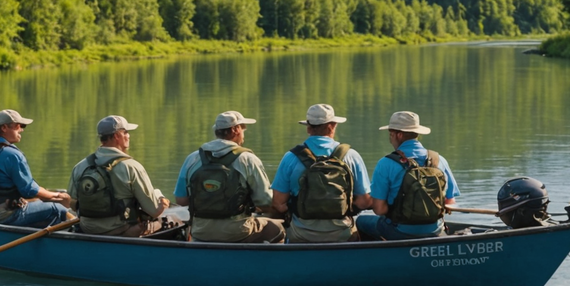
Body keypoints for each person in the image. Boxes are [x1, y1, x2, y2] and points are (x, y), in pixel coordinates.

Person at [173, 111, 284, 243]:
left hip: (201, 231)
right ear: (235, 129)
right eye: (243, 128)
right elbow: (265, 201)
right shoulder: (248, 159)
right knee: (277, 228)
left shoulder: (192, 158)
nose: (244, 134)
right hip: (237, 232)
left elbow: (181, 200)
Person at [271, 104, 372, 242]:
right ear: (332, 126)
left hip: (301, 234)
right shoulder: (351, 155)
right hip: (342, 233)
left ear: (308, 128)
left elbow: (278, 203)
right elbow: (364, 202)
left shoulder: (291, 157)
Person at [357, 111, 460, 240]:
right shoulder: (439, 160)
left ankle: (380, 256)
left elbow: (379, 210)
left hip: (400, 230)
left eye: (390, 134)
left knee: (360, 222)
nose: (390, 139)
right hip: (436, 230)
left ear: (398, 135)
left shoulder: (386, 163)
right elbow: (450, 201)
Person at [0, 109, 71, 227]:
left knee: (39, 201)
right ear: (4, 128)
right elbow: (29, 190)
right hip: (3, 215)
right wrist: (55, 196)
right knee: (57, 208)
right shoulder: (12, 155)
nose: (22, 129)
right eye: (18, 126)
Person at [69, 115, 170, 237]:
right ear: (117, 136)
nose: (129, 136)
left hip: (88, 229)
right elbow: (154, 211)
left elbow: (73, 204)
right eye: (126, 132)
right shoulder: (132, 167)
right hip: (122, 231)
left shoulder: (80, 166)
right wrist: (160, 198)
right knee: (166, 221)